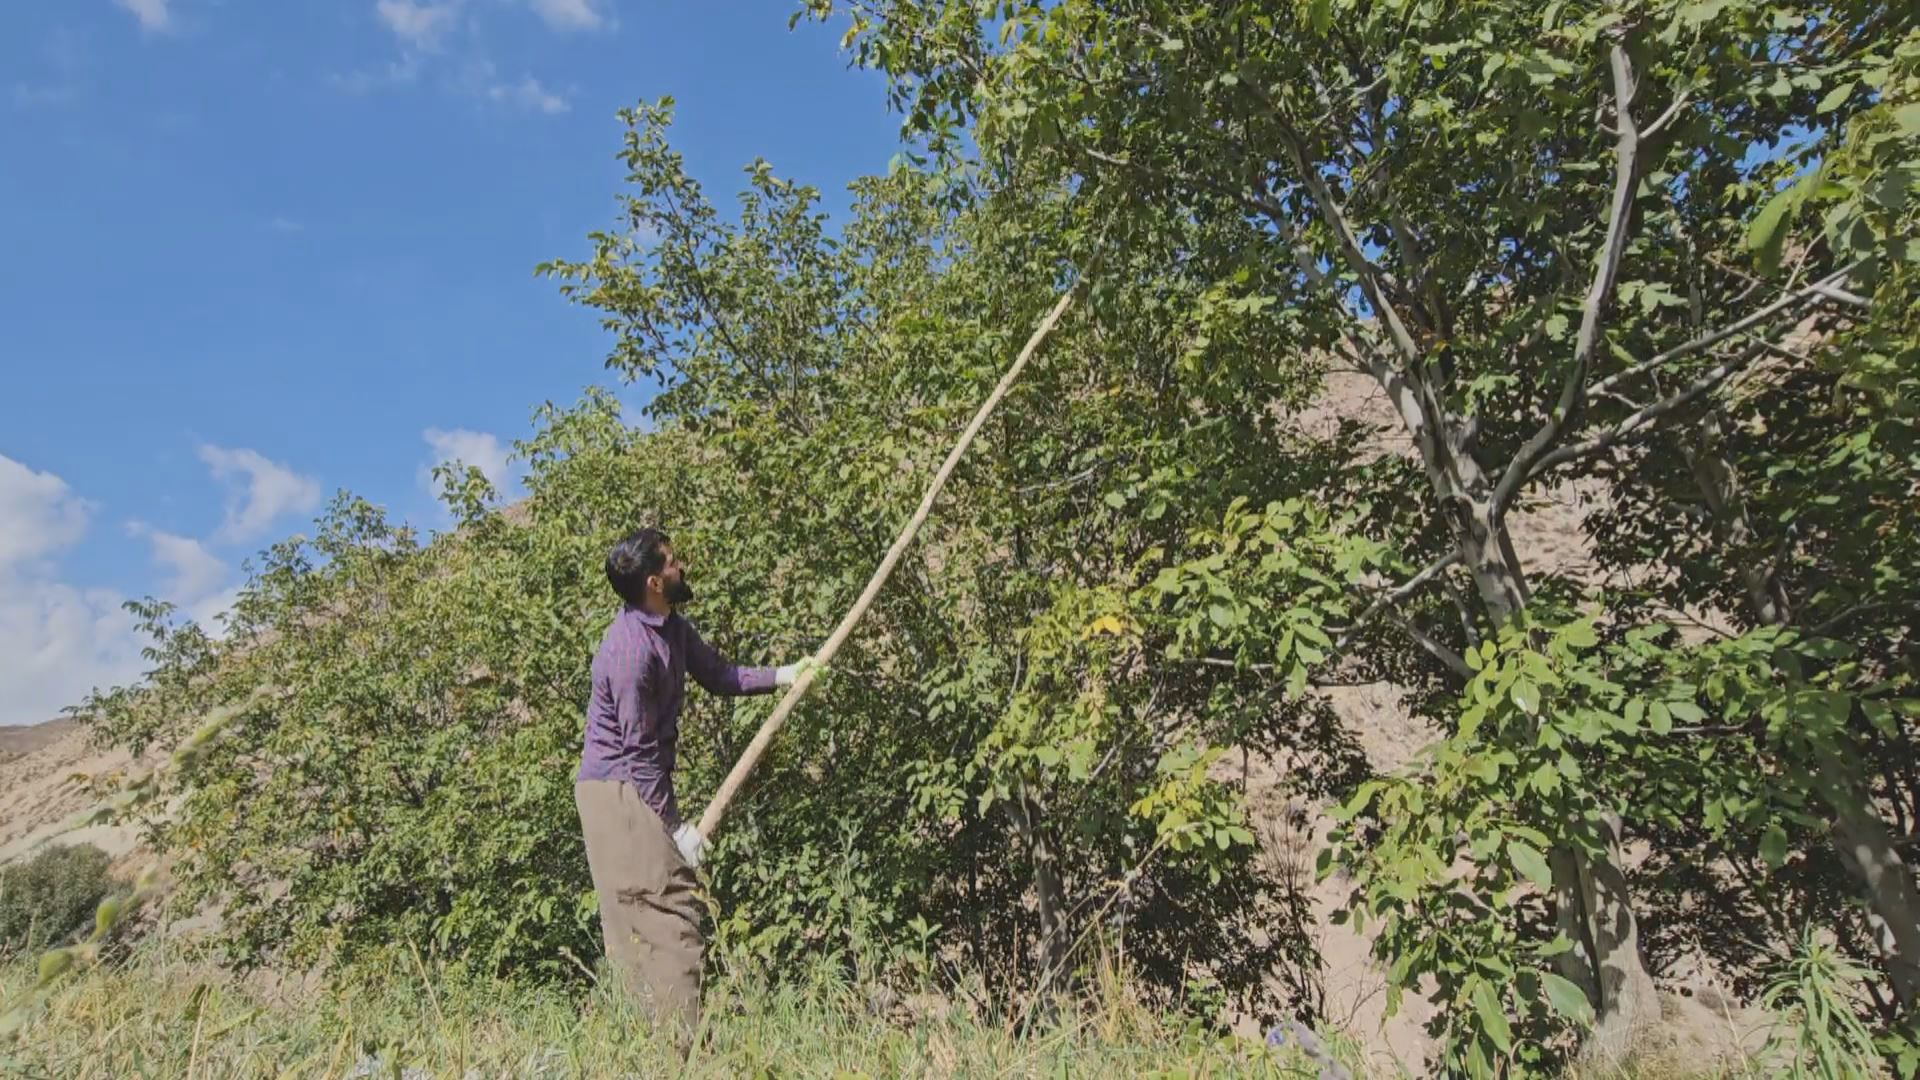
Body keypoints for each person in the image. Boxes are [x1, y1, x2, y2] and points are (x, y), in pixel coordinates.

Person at [574, 526, 816, 1047]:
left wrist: (783, 675)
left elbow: (720, 674)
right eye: (674, 561)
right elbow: (639, 756)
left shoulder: (671, 628)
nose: (683, 565)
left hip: (638, 783)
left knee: (652, 917)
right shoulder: (629, 654)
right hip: (616, 792)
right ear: (655, 582)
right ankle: (674, 1051)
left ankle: (653, 1049)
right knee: (666, 913)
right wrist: (676, 829)